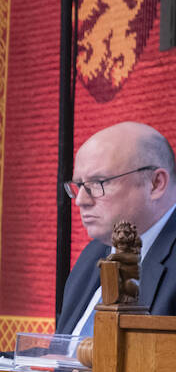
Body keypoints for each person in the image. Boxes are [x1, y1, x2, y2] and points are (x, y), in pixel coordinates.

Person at [57, 120, 176, 334]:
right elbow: (60, 356)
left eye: (98, 182)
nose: (80, 200)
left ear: (155, 184)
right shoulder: (91, 256)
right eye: (79, 185)